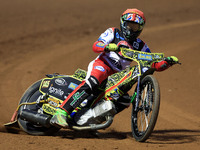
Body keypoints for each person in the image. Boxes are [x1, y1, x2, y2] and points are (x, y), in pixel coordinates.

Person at [50, 8, 179, 128]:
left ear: (141, 28)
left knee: (124, 100)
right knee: (93, 82)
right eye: (129, 25)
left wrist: (167, 62)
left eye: (135, 27)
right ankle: (61, 112)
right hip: (102, 65)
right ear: (123, 23)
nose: (131, 29)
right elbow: (96, 45)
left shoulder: (141, 46)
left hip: (117, 75)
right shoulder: (113, 32)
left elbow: (153, 64)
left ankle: (89, 120)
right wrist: (106, 47)